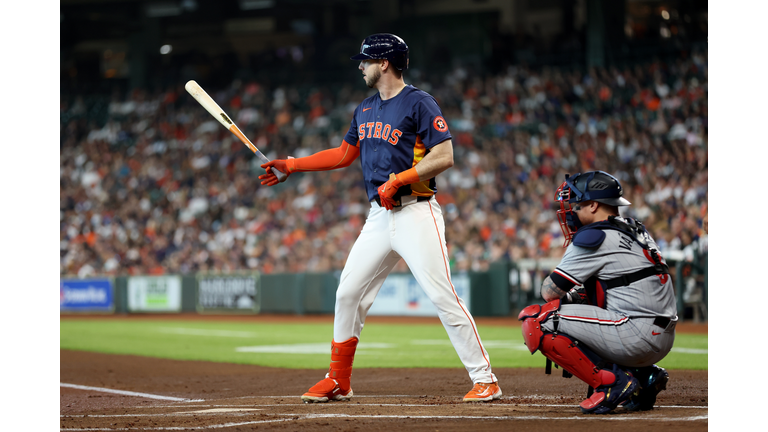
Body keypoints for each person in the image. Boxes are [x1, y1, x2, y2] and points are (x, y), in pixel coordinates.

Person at [259, 33, 501, 403]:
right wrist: (292, 164)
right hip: (379, 216)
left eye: (366, 60)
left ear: (384, 63)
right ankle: (338, 379)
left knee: (442, 295)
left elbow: (445, 155)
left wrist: (401, 179)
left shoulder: (419, 102)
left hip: (416, 213)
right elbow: (343, 154)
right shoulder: (366, 108)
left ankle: (486, 379)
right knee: (348, 293)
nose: (361, 66)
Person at [518, 171, 677, 414]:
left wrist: (569, 294)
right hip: (661, 335)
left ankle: (612, 384)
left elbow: (549, 291)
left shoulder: (596, 235)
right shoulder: (636, 229)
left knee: (538, 320)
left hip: (636, 334)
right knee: (587, 305)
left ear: (593, 205)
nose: (571, 211)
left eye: (576, 204)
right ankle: (643, 377)